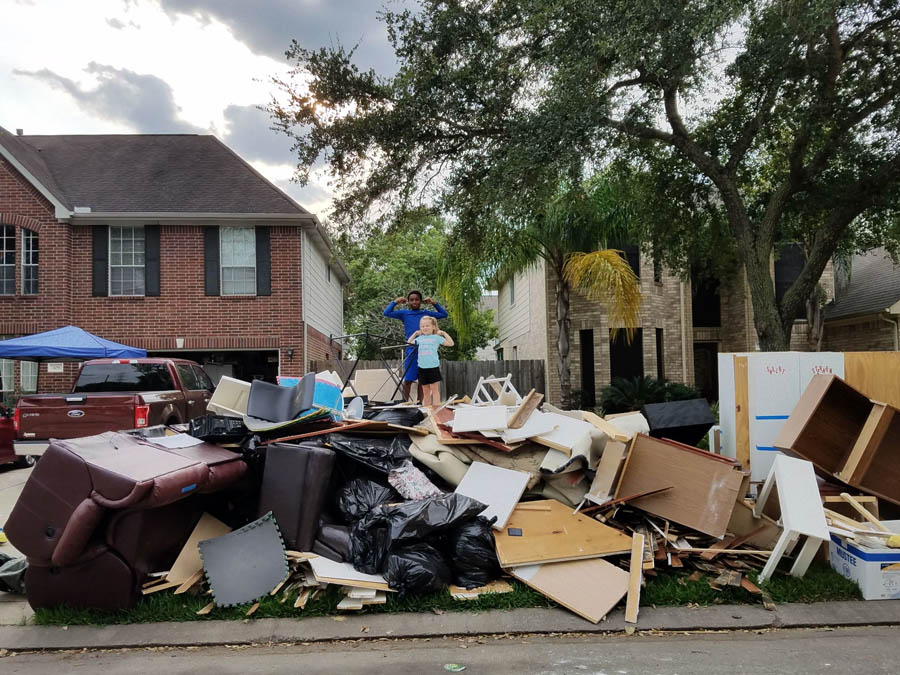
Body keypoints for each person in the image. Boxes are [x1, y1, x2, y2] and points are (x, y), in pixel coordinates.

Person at [384, 291, 449, 402]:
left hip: (425, 350)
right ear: (408, 302)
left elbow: (444, 314)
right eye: (411, 300)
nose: (414, 301)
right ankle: (405, 403)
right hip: (411, 349)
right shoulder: (404, 313)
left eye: (417, 299)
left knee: (422, 381)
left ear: (420, 301)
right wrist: (395, 302)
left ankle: (420, 404)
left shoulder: (426, 314)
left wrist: (434, 303)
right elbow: (386, 312)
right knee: (408, 379)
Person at [408, 316, 454, 406]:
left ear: (433, 327)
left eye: (427, 326)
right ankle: (427, 408)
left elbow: (451, 343)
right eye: (422, 326)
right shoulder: (419, 339)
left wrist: (444, 333)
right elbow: (409, 343)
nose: (425, 328)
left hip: (433, 367)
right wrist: (415, 334)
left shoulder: (436, 337)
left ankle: (436, 408)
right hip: (422, 368)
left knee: (434, 389)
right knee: (425, 391)